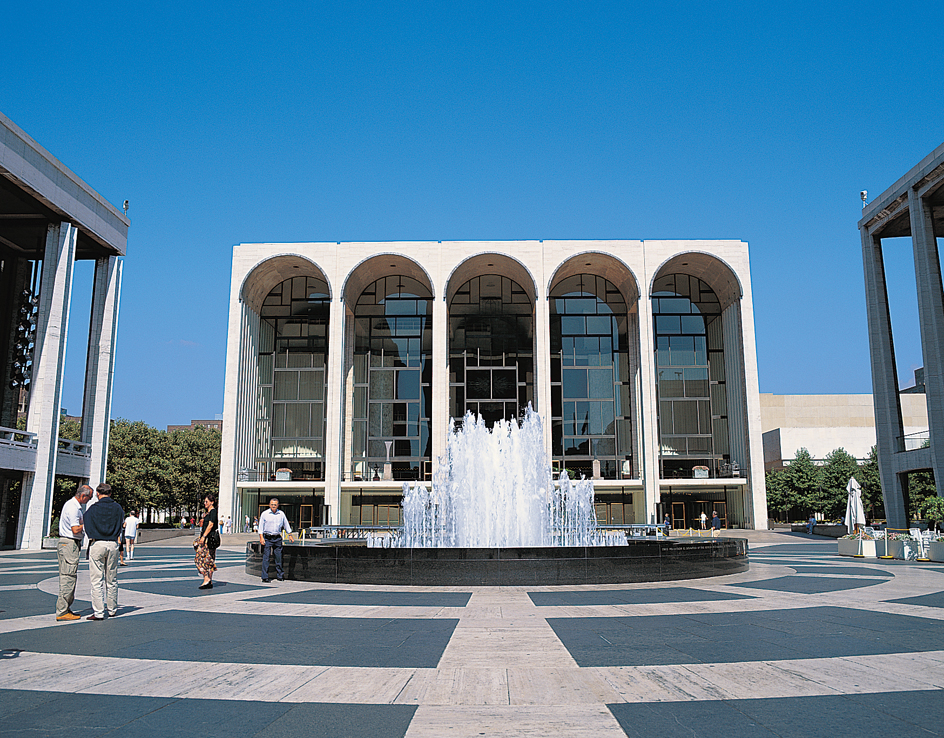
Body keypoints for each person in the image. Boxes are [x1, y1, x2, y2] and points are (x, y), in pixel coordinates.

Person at [83, 483, 124, 620]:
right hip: (112, 543)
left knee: (96, 580)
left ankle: (99, 612)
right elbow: (120, 524)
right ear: (110, 493)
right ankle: (112, 609)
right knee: (112, 579)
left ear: (97, 494)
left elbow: (86, 523)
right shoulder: (118, 508)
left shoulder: (93, 509)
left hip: (98, 542)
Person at [55, 485, 94, 621]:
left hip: (69, 543)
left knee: (69, 575)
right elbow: (75, 529)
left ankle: (65, 608)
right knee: (68, 576)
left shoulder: (72, 505)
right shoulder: (73, 508)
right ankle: (62, 611)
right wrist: (88, 522)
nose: (89, 501)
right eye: (89, 498)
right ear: (83, 496)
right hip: (69, 543)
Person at [258, 498, 294, 582]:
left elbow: (286, 524)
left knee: (279, 557)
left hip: (277, 538)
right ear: (269, 505)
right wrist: (261, 537)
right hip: (267, 538)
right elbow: (261, 527)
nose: (273, 506)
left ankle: (280, 575)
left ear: (278, 505)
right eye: (272, 504)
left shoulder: (281, 514)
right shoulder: (265, 514)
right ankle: (265, 576)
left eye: (275, 505)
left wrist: (290, 535)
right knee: (266, 558)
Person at [193, 493, 220, 590]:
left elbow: (211, 525)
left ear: (212, 502)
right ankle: (209, 581)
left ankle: (206, 579)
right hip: (208, 540)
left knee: (199, 560)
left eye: (206, 501)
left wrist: (203, 537)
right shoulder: (209, 512)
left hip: (208, 540)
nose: (204, 503)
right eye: (204, 501)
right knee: (209, 560)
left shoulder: (212, 512)